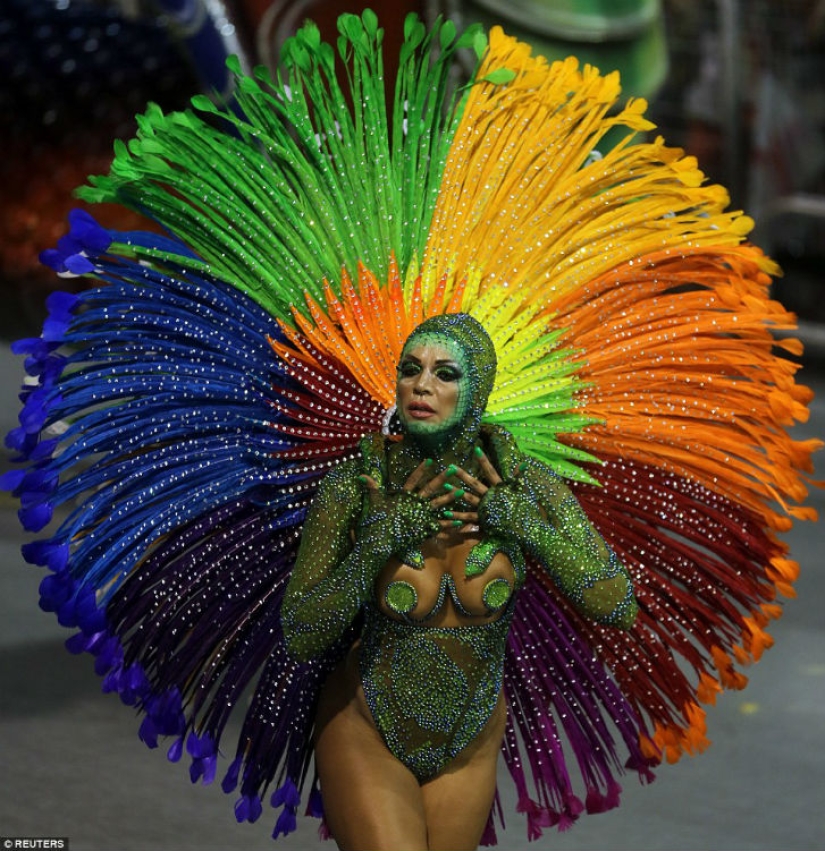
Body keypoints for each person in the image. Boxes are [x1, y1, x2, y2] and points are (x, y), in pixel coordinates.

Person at [281, 313, 637, 850]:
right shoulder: (358, 486)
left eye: (446, 373)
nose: (422, 385)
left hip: (469, 739)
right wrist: (372, 549)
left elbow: (618, 605)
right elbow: (301, 634)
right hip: (367, 724)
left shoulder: (527, 485)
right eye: (410, 369)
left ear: (478, 393)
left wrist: (528, 528)